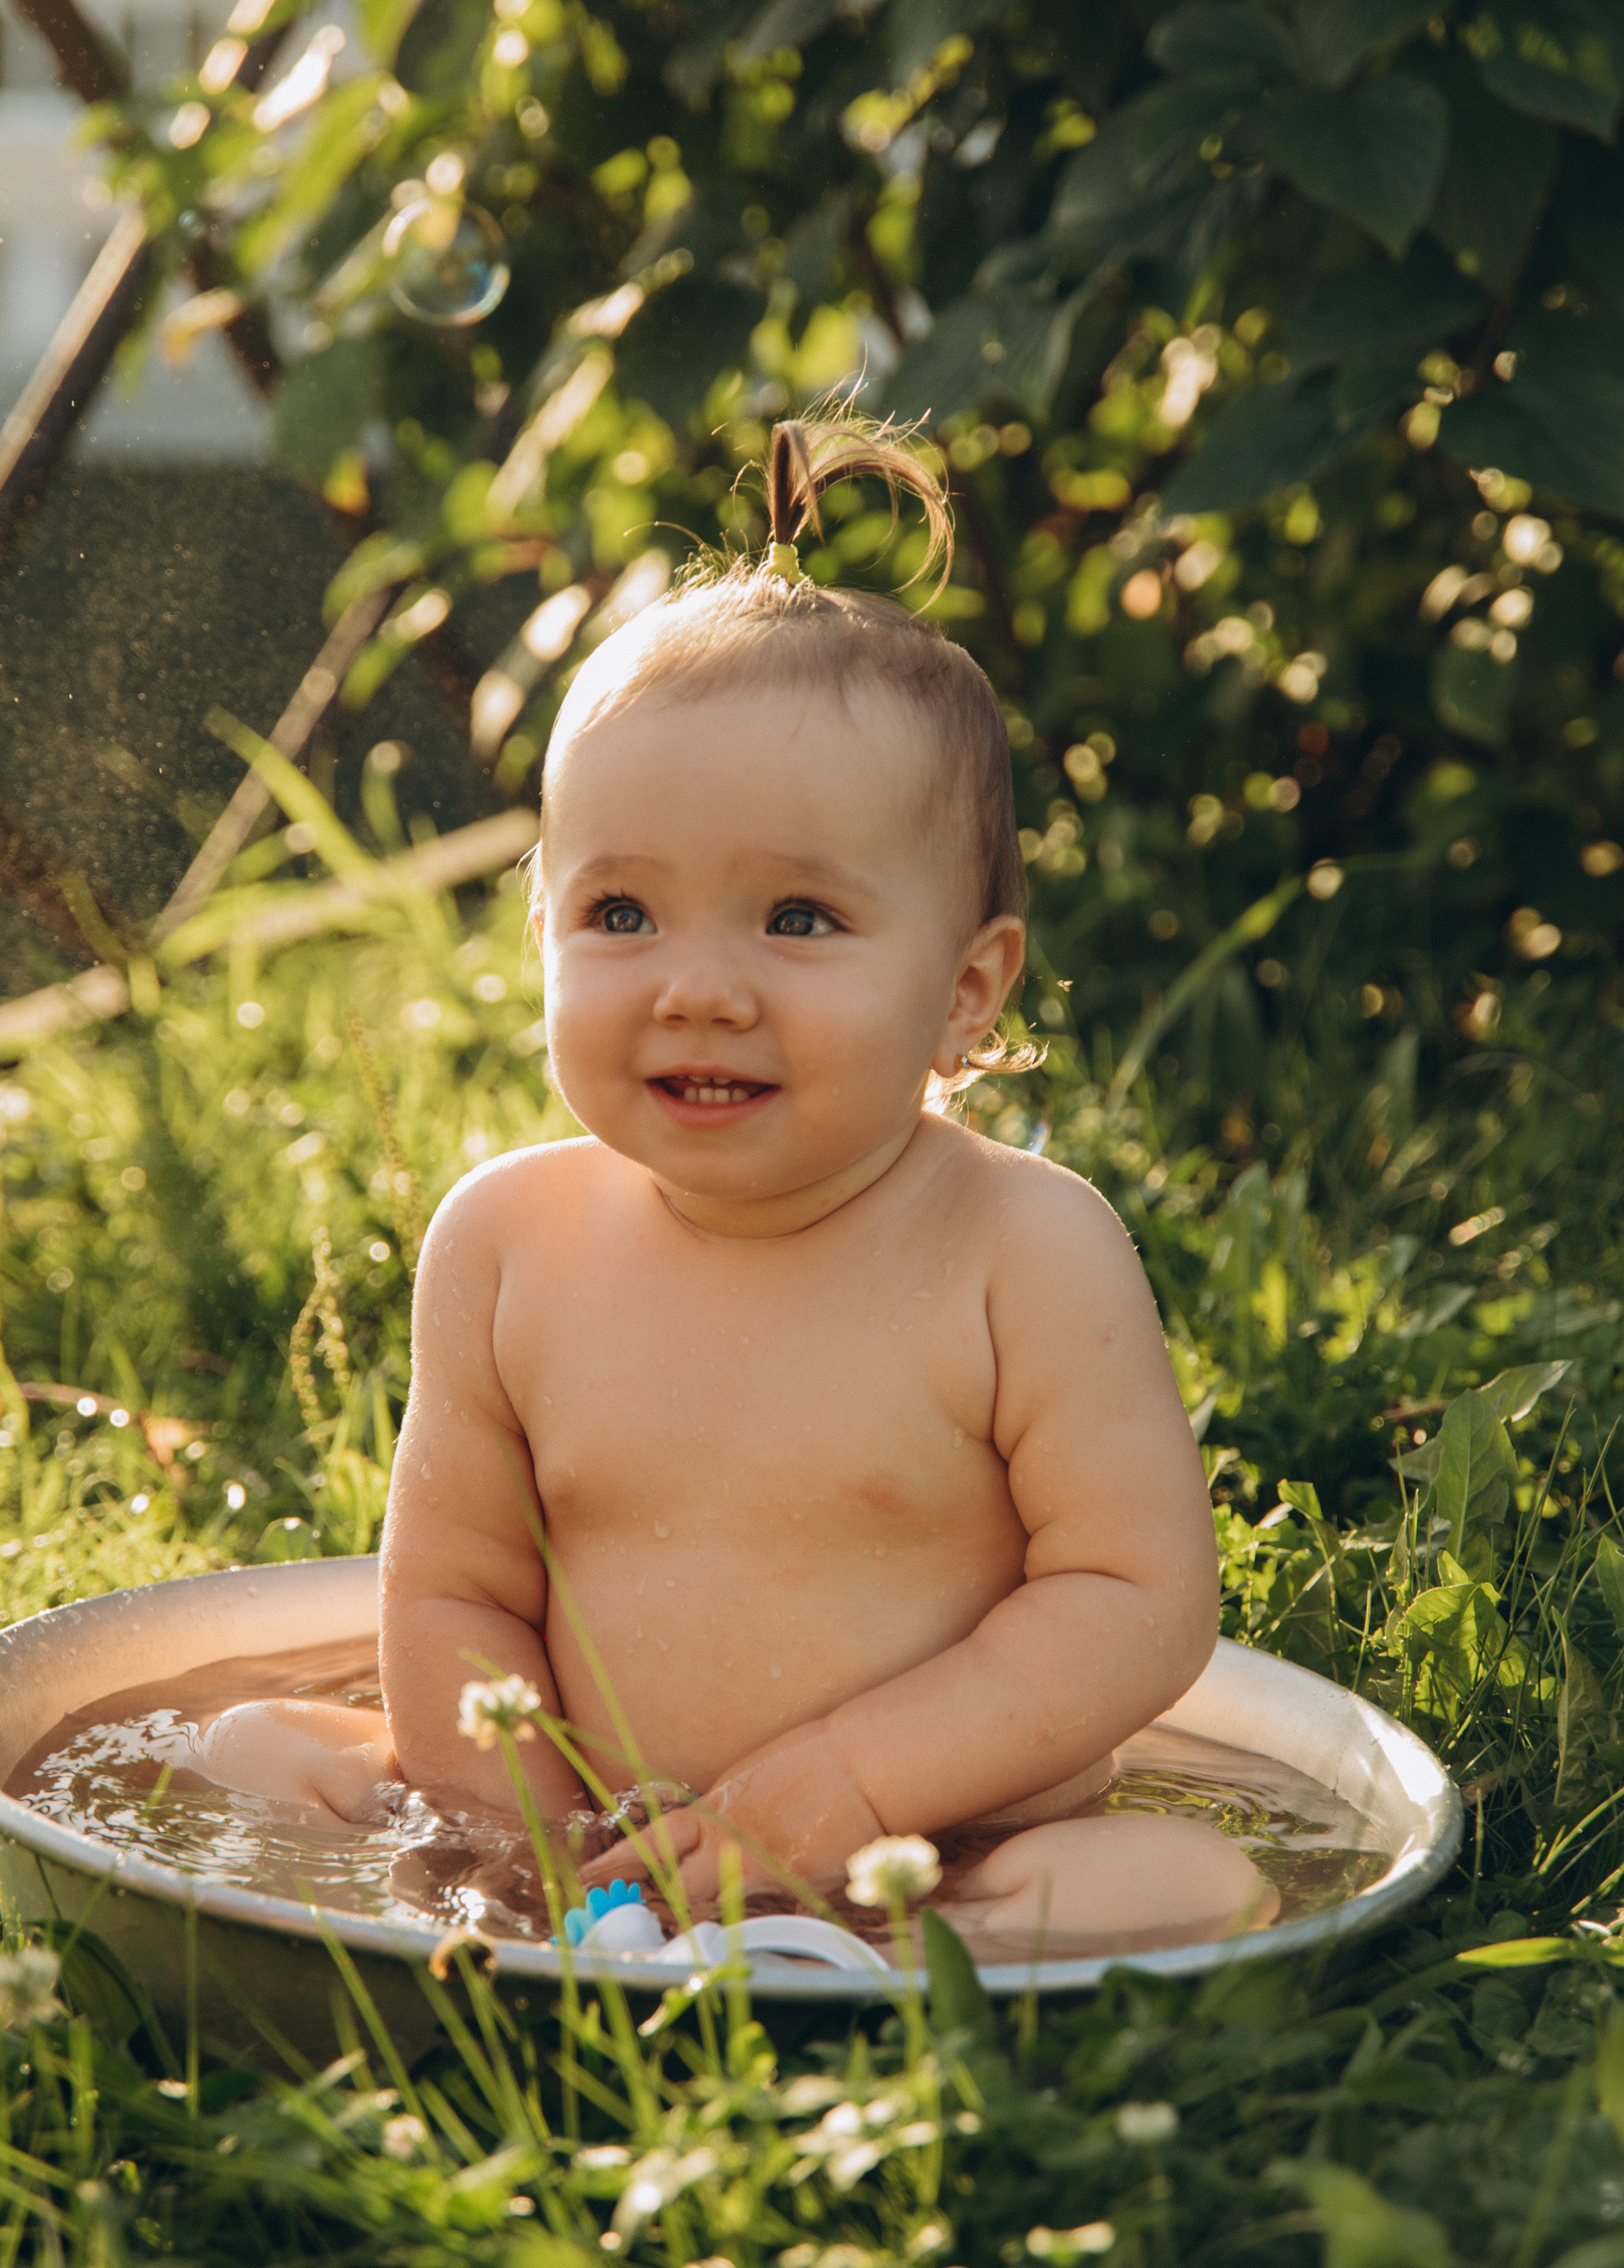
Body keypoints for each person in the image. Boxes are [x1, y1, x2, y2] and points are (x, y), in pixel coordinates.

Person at [192, 416, 1264, 1954]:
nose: (696, 989)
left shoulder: (1020, 1249)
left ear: (965, 994)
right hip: (599, 1840)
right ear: (542, 936)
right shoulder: (507, 1244)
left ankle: (886, 1961)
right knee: (250, 1752)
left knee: (1190, 1884)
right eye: (622, 914)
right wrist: (518, 1836)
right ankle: (541, 1944)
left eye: (798, 920)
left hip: (930, 1844)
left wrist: (852, 1785)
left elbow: (1132, 1600)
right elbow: (455, 1598)